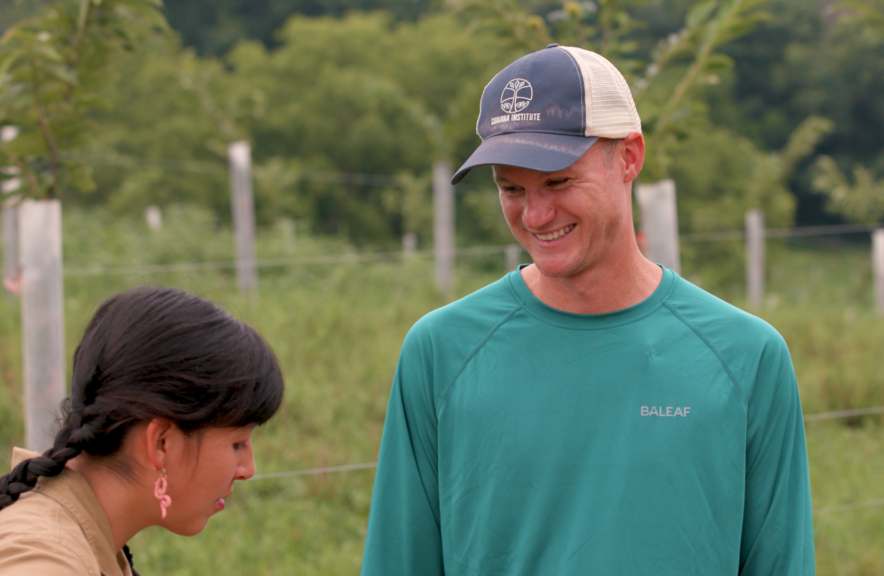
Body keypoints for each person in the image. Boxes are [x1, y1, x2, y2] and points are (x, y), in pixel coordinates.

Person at [361, 44, 814, 575]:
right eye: (511, 188)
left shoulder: (746, 357)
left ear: (628, 157)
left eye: (558, 181)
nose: (535, 214)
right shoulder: (440, 351)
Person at [0, 287, 284, 576]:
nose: (248, 469)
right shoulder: (42, 562)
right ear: (161, 443)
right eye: (237, 443)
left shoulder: (77, 538)